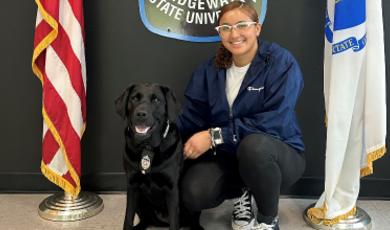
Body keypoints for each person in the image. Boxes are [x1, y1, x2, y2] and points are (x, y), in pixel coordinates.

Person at [176, 2, 306, 230]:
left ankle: (268, 219)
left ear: (257, 28)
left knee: (254, 146)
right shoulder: (209, 70)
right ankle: (241, 193)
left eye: (241, 25)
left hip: (277, 156)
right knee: (194, 192)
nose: (233, 34)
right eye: (225, 27)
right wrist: (161, 139)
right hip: (229, 156)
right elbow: (193, 118)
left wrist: (215, 136)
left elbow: (273, 123)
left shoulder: (280, 62)